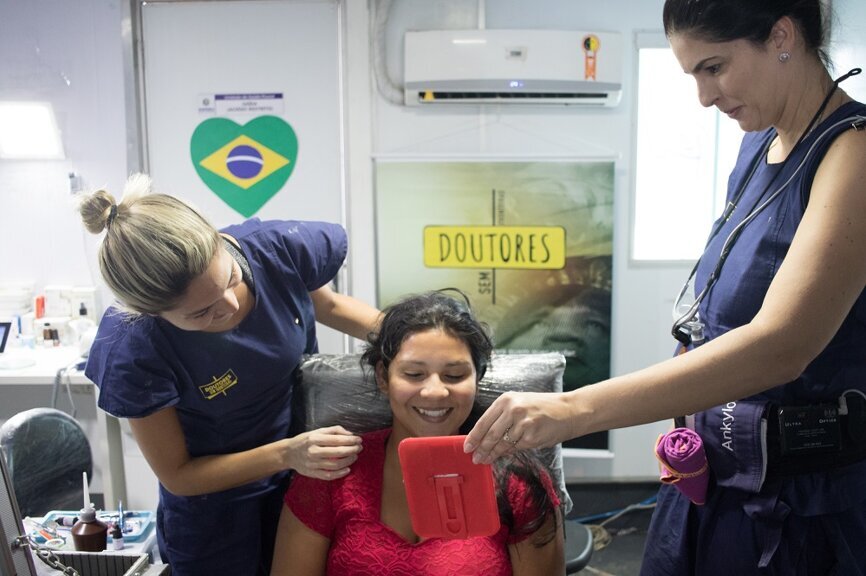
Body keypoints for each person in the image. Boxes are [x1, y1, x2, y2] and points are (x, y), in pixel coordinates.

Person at [464, 1, 866, 574]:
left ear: (782, 35)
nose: (705, 96)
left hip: (796, 502)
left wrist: (572, 409)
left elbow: (783, 345)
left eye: (714, 67)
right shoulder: (760, 142)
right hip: (713, 472)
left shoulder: (853, 152)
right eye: (693, 75)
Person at [77, 173, 381, 576]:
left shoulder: (277, 250)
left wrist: (415, 345)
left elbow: (334, 308)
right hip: (213, 513)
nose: (228, 307)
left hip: (302, 481)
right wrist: (288, 452)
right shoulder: (133, 347)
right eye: (201, 313)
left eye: (230, 280)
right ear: (152, 314)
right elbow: (179, 475)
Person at [271, 290, 564, 576]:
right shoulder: (330, 471)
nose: (435, 391)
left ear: (478, 378)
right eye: (414, 374)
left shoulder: (518, 483)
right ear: (383, 377)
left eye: (454, 375)